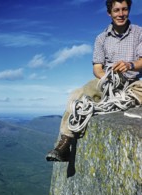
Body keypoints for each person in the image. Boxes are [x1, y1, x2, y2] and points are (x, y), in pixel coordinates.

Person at [46, 0, 142, 162]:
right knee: (77, 94)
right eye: (116, 10)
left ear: (128, 10)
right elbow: (97, 68)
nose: (121, 14)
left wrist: (129, 65)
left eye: (124, 9)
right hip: (107, 81)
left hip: (133, 81)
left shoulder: (139, 33)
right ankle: (64, 143)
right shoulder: (101, 38)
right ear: (109, 13)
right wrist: (108, 77)